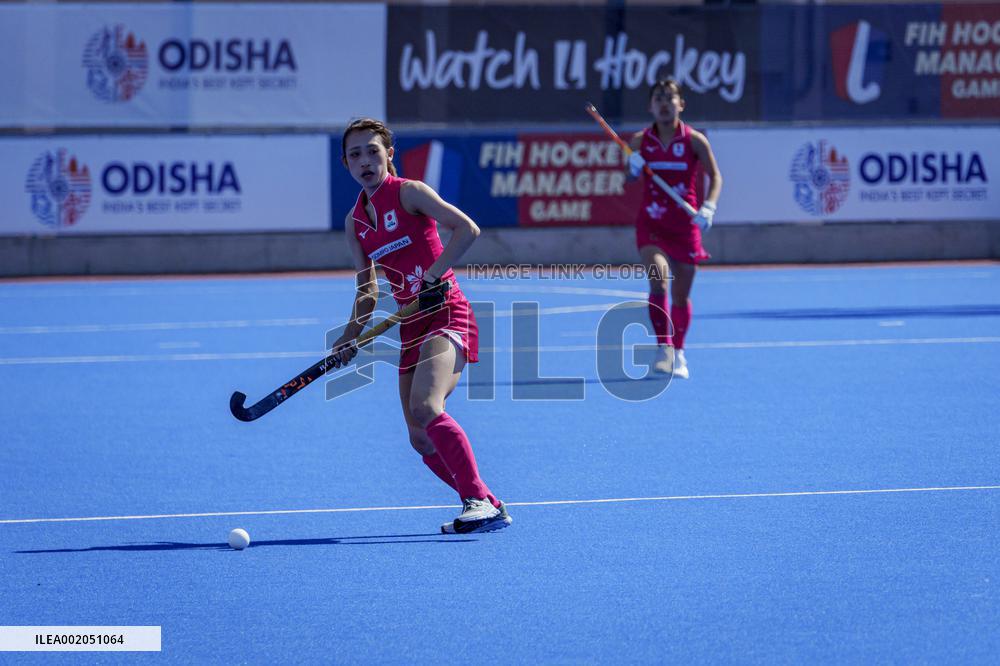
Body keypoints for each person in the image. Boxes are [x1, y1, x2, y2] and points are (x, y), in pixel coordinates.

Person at [329, 118, 511, 535]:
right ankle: (488, 501)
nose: (365, 161)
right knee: (419, 436)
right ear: (345, 164)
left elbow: (467, 230)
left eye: (373, 151)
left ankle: (476, 501)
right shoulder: (354, 222)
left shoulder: (409, 192)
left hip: (446, 310)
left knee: (426, 407)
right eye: (355, 154)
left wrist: (433, 276)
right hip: (410, 326)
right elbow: (368, 292)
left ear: (389, 154)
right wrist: (349, 337)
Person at [626, 78, 722, 379]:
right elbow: (628, 181)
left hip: (685, 227)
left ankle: (679, 352)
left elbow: (716, 177)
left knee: (681, 295)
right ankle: (663, 347)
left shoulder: (694, 141)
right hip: (652, 227)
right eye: (659, 98)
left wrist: (709, 207)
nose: (665, 103)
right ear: (650, 106)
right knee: (659, 281)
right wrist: (632, 167)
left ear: (681, 104)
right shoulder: (640, 142)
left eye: (670, 98)